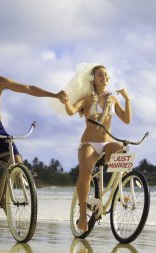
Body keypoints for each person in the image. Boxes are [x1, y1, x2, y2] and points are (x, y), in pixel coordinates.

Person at [0, 42, 68, 212]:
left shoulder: (0, 81)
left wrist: (55, 95)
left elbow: (29, 88)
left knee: (16, 161)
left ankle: (0, 196)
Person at [61, 63, 131, 232]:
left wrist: (127, 99)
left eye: (106, 75)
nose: (104, 77)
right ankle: (83, 214)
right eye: (100, 74)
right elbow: (71, 111)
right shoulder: (86, 98)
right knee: (85, 173)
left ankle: (121, 189)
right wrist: (66, 102)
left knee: (123, 151)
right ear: (93, 78)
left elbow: (127, 120)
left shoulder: (112, 98)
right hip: (89, 143)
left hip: (108, 142)